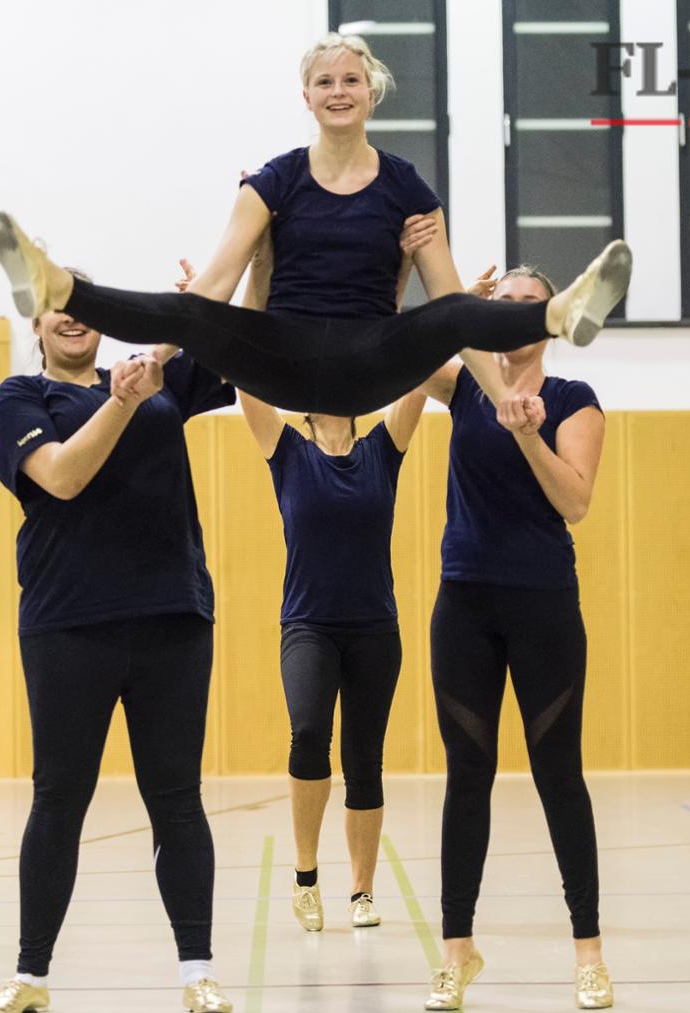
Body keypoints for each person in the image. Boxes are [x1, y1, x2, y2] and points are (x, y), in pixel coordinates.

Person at [0, 32, 632, 418]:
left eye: (351, 80)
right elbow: (216, 283)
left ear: (371, 93)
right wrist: (155, 357)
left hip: (371, 360)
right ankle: (58, 289)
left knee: (454, 307)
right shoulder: (273, 181)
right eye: (324, 82)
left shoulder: (408, 188)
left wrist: (496, 396)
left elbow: (454, 309)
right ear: (307, 97)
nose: (338, 90)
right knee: (194, 309)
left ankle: (561, 314)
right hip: (281, 355)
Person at [0, 282, 237, 1013]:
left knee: (177, 799)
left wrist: (234, 271)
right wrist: (123, 400)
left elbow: (235, 327)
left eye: (84, 303)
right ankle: (32, 975)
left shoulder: (155, 380)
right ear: (37, 324)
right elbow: (61, 477)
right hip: (69, 625)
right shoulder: (21, 396)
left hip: (172, 618)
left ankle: (197, 974)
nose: (72, 316)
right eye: (58, 306)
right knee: (60, 798)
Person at [193, 245, 427, 934]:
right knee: (307, 735)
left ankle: (362, 891)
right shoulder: (287, 453)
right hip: (309, 626)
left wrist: (429, 291)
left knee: (365, 759)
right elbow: (245, 373)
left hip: (375, 627)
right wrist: (249, 287)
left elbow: (417, 366)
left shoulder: (383, 450)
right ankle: (305, 877)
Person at [415, 266, 615, 1010]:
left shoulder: (573, 399)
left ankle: (589, 953)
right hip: (463, 605)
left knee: (558, 774)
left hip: (544, 608)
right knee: (466, 774)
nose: (516, 315)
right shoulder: (463, 386)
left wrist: (528, 434)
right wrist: (448, 294)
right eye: (505, 305)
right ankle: (456, 950)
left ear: (552, 319)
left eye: (531, 306)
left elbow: (576, 502)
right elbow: (402, 337)